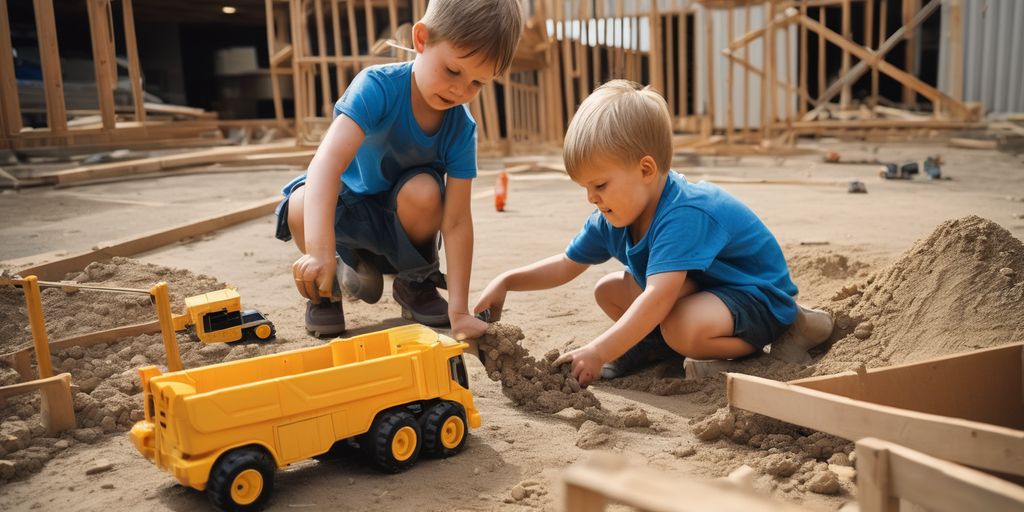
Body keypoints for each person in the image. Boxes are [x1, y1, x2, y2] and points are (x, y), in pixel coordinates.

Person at [473, 80, 832, 386]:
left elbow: (658, 298)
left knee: (679, 328)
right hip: (708, 291)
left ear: (646, 169)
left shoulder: (683, 214)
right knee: (610, 291)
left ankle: (771, 340)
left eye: (599, 184)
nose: (591, 197)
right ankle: (663, 347)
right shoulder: (613, 215)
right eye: (585, 186)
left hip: (757, 297)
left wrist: (600, 350)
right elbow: (566, 264)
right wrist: (506, 281)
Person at [276, 0, 523, 339]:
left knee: (424, 188)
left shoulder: (461, 128)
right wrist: (319, 252)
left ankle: (415, 284)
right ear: (421, 39)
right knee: (300, 201)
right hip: (347, 216)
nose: (461, 90)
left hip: (402, 237)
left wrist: (459, 311)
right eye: (453, 71)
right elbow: (326, 164)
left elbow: (456, 221)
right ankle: (326, 289)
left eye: (477, 83)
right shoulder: (377, 87)